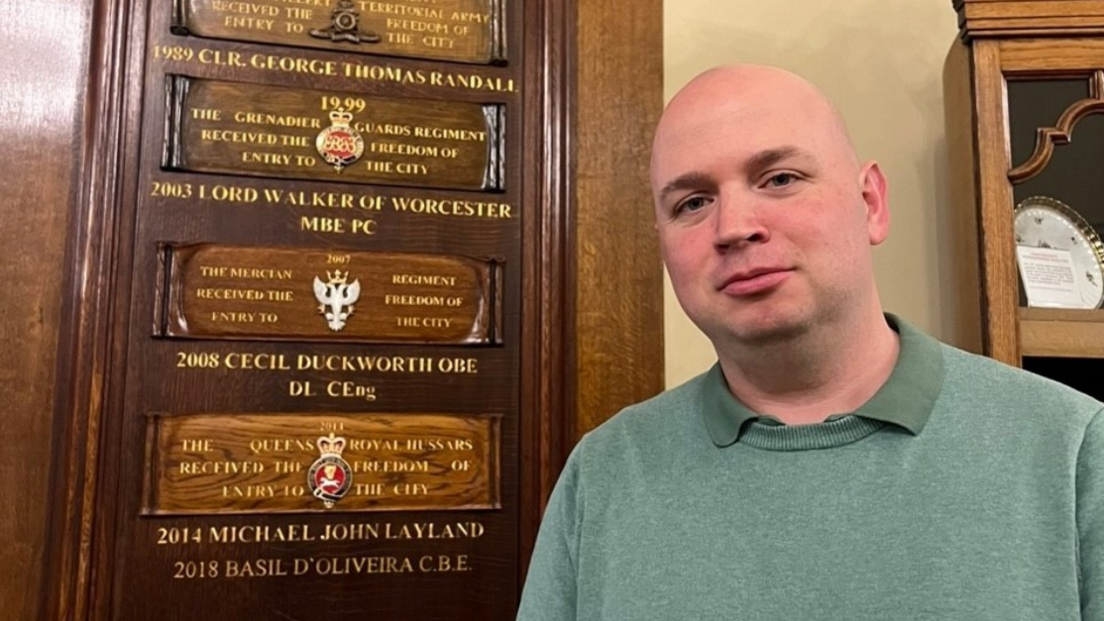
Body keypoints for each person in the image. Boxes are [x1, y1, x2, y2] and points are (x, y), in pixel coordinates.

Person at [516, 64, 1104, 620]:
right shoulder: (604, 476)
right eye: (692, 202)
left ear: (871, 203)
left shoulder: (1074, 452)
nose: (734, 227)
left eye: (780, 178)